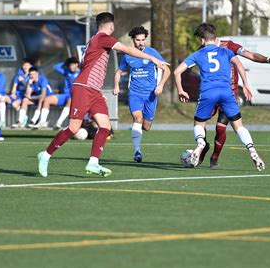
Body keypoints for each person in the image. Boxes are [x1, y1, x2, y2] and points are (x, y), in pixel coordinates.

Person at [36, 12, 168, 178]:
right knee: (73, 128)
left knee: (105, 127)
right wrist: (152, 58)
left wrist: (96, 90)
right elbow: (127, 49)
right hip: (84, 88)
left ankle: (93, 163)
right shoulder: (102, 38)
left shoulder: (95, 41)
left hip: (93, 90)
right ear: (111, 26)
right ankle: (45, 155)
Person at [173, 23, 265, 171]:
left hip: (208, 92)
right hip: (226, 92)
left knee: (199, 124)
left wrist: (180, 90)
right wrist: (246, 84)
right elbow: (239, 65)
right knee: (239, 126)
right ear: (215, 38)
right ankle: (252, 151)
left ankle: (201, 143)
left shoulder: (198, 54)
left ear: (202, 40)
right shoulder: (225, 51)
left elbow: (177, 72)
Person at [201, 39, 270, 168]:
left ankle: (215, 156)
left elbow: (251, 55)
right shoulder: (202, 49)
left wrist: (268, 59)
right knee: (200, 122)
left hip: (228, 93)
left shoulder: (229, 45)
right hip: (210, 92)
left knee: (220, 127)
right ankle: (203, 145)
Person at [113, 26, 170, 163]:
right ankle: (137, 151)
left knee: (146, 126)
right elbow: (118, 72)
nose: (141, 42)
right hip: (135, 93)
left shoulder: (152, 52)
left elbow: (167, 70)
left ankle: (139, 129)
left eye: (143, 40)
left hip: (150, 94)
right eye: (138, 40)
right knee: (137, 118)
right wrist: (116, 85)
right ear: (133, 39)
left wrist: (160, 85)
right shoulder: (128, 55)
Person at [33, 56, 80, 129]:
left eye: (73, 65)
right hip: (65, 95)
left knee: (70, 100)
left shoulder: (81, 73)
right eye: (70, 65)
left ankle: (59, 123)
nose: (71, 67)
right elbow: (56, 67)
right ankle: (42, 122)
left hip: (74, 96)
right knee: (47, 99)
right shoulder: (67, 71)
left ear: (77, 64)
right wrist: (66, 61)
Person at [0, 58, 32, 127]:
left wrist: (23, 81)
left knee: (14, 104)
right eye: (24, 65)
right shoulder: (19, 75)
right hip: (17, 95)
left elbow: (29, 89)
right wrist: (13, 93)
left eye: (28, 65)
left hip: (25, 96)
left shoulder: (32, 76)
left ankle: (23, 118)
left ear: (31, 66)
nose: (26, 67)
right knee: (3, 98)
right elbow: (14, 86)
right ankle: (2, 121)